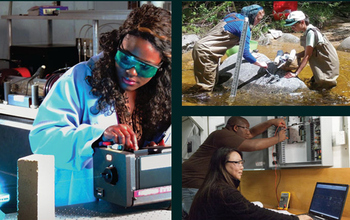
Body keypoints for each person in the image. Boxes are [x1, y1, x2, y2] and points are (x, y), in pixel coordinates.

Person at [28, 4, 171, 206]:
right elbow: (42, 141)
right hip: (87, 203)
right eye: (126, 58)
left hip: (143, 201)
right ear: (117, 46)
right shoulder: (80, 78)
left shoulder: (165, 92)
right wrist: (97, 137)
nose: (132, 71)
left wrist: (157, 152)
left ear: (161, 68)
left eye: (145, 68)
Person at [182, 116, 287, 214]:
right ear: (236, 128)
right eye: (245, 128)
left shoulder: (227, 136)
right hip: (194, 182)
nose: (248, 132)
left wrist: (271, 122)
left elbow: (251, 134)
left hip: (199, 182)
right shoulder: (221, 134)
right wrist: (278, 138)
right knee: (199, 215)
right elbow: (253, 145)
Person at [188, 147, 312, 220]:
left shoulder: (213, 186)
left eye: (242, 163)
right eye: (237, 163)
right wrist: (296, 218)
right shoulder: (223, 191)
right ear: (222, 165)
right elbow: (255, 213)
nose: (241, 167)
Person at [191, 4, 268, 93]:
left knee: (213, 82)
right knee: (205, 89)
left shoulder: (233, 16)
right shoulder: (244, 27)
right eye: (258, 19)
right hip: (207, 52)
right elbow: (245, 54)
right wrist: (260, 63)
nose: (258, 22)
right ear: (252, 16)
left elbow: (239, 41)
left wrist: (251, 53)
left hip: (202, 47)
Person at [284, 11, 339, 90]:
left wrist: (296, 73)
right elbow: (310, 50)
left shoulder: (311, 33)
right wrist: (296, 55)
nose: (292, 28)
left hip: (327, 63)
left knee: (323, 89)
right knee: (316, 85)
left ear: (302, 22)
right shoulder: (309, 29)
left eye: (294, 25)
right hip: (324, 61)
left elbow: (307, 56)